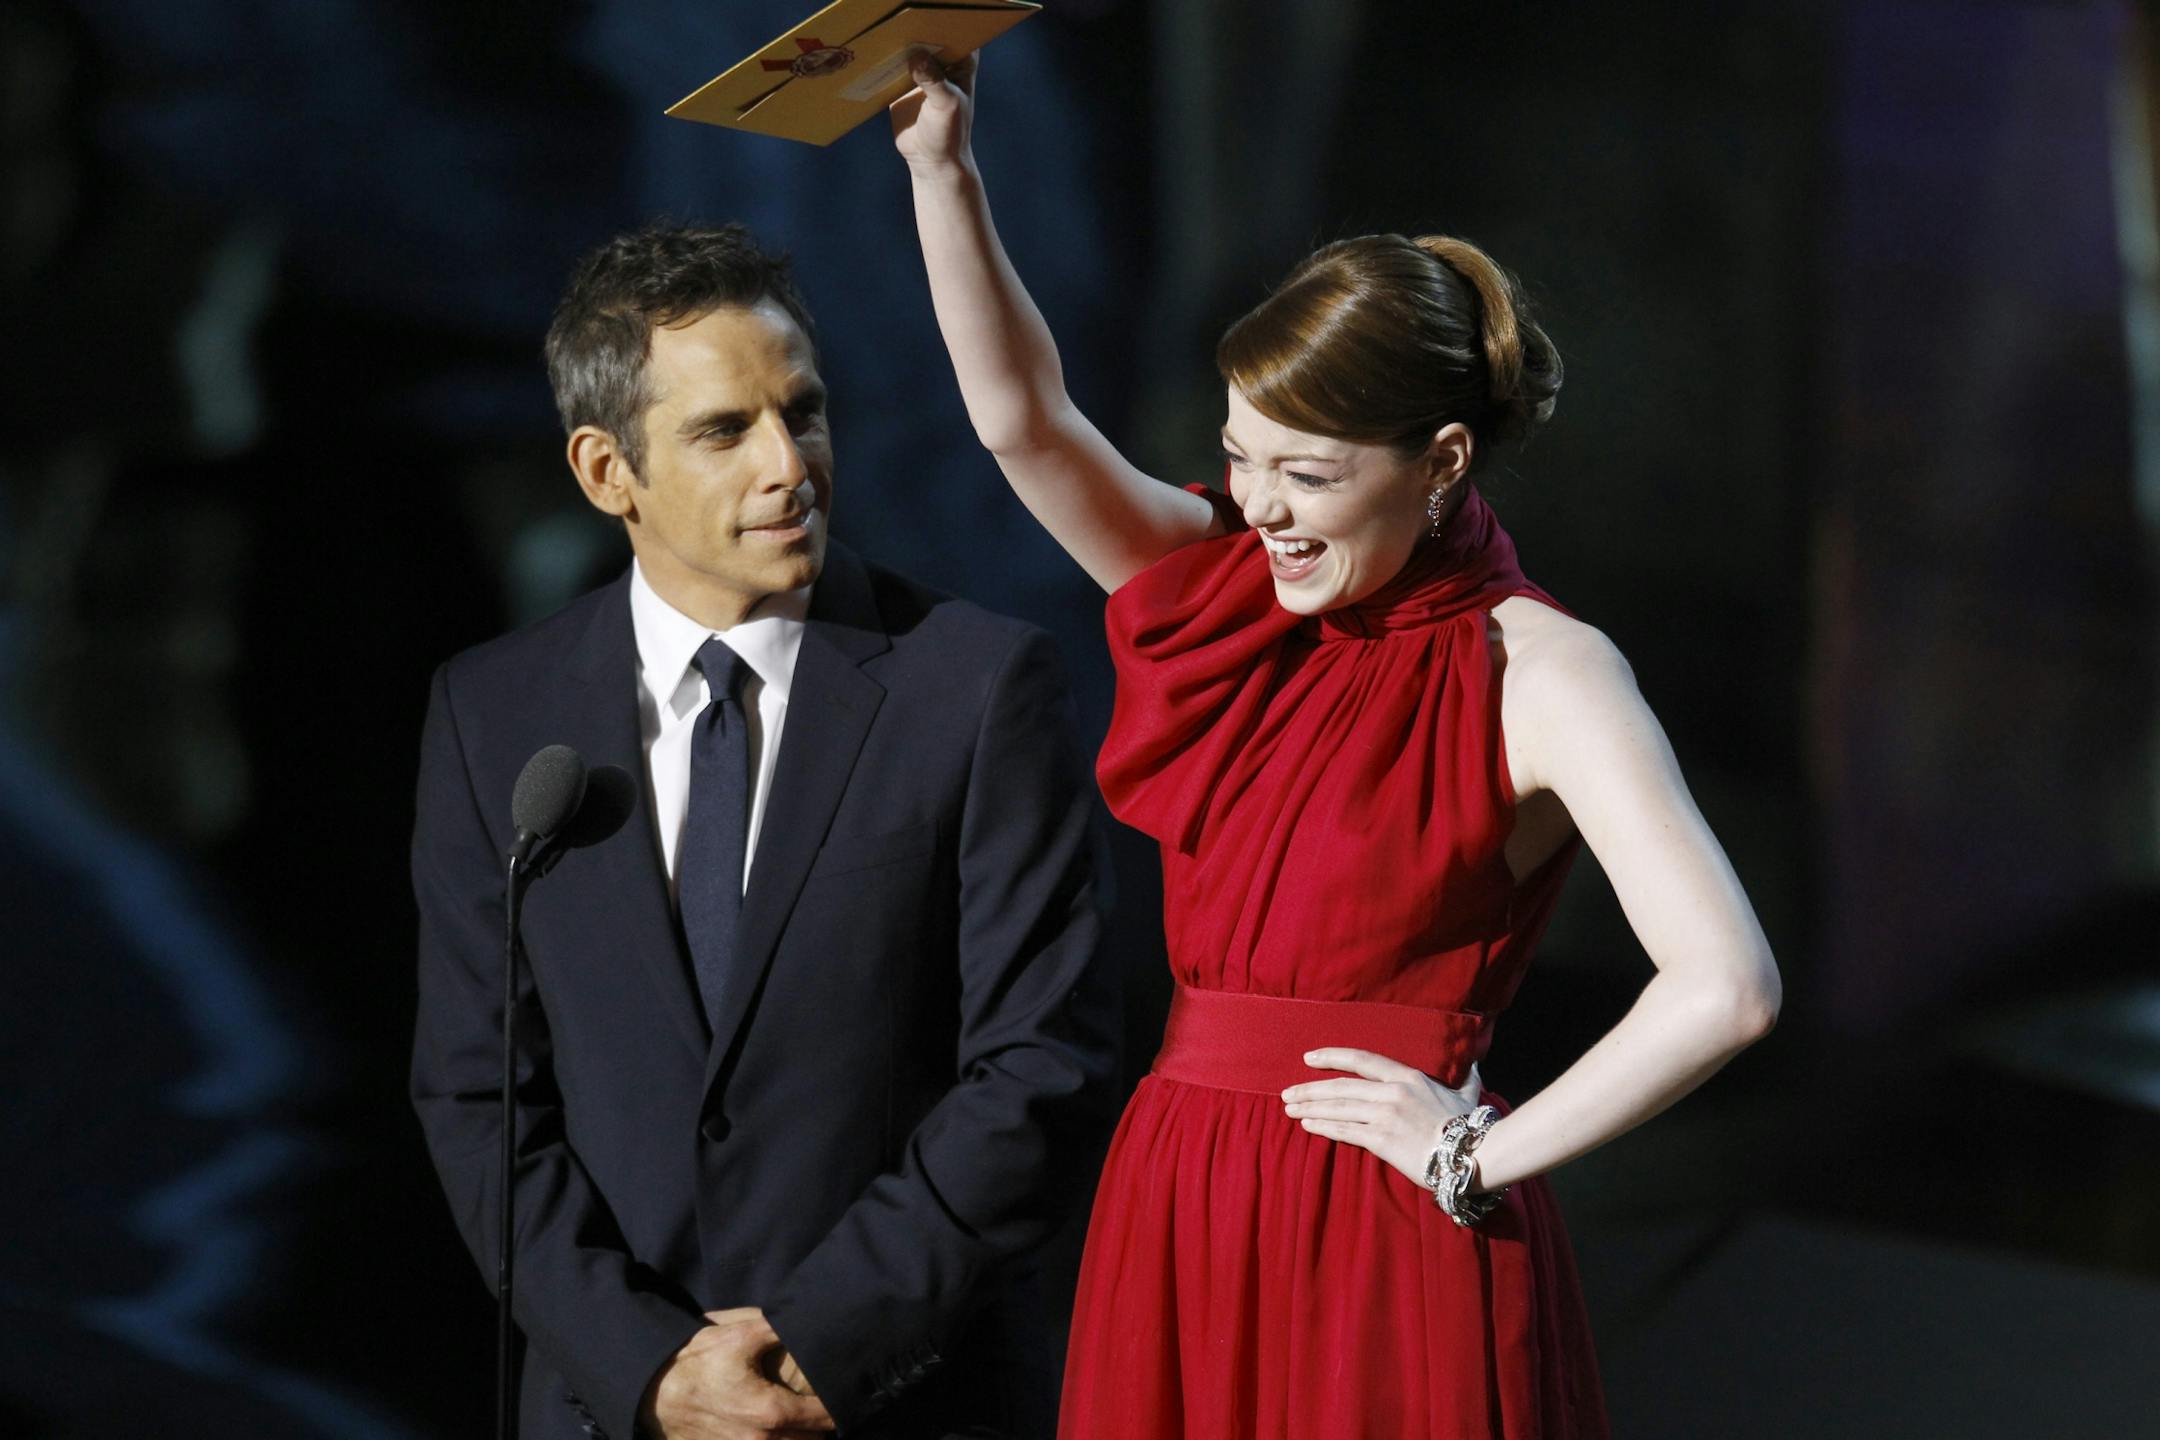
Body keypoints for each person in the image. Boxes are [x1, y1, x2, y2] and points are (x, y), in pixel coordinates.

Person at [891, 55, 1782, 1439]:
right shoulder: (1230, 590)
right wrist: (942, 169)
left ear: (1442, 462)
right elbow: (1024, 425)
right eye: (1244, 457)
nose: (1262, 507)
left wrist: (1481, 1151)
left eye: (1307, 475)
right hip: (1182, 1192)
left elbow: (1727, 988)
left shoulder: (1542, 671)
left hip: (1383, 1223)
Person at [409, 223, 1120, 1440]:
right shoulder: (495, 716)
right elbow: (478, 1094)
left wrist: (821, 1347)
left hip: (897, 1401)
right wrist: (649, 1370)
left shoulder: (976, 686)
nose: (790, 466)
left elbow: (1042, 1066)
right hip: (614, 1411)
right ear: (606, 471)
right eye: (724, 430)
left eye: (805, 412)